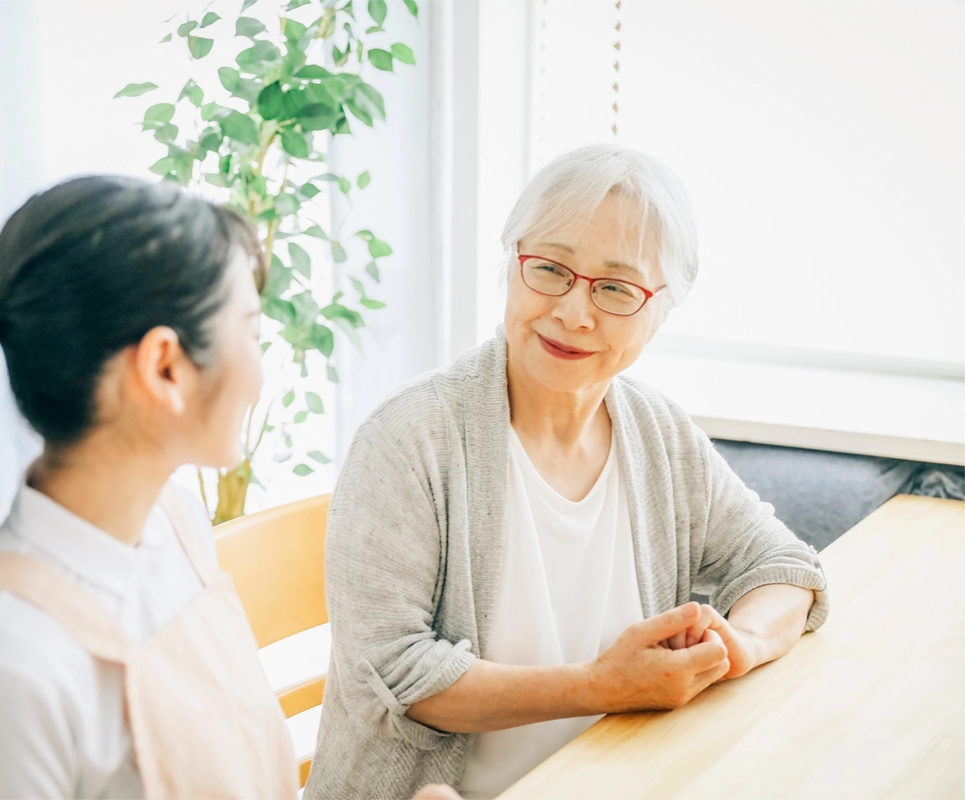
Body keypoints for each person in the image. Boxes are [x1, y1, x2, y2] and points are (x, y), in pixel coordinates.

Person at [0, 176, 462, 800]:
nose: (261, 377)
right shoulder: (0, 666)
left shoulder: (175, 526)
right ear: (164, 367)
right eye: (252, 333)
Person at [304, 144, 829, 800]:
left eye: (614, 288)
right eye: (550, 269)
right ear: (512, 265)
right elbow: (391, 674)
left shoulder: (658, 434)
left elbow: (782, 564)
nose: (574, 312)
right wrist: (604, 685)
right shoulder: (411, 439)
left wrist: (741, 645)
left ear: (660, 309)